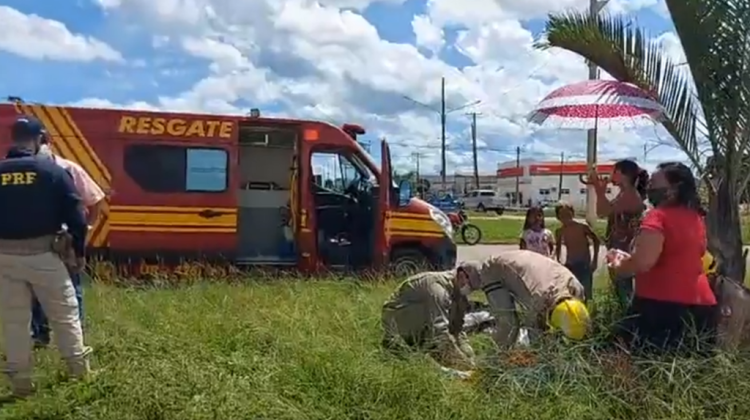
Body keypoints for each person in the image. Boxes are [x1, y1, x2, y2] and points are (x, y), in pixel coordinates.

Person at [0, 115, 91, 397]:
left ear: (13, 140)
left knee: (14, 322)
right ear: (40, 139)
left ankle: (21, 385)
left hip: (3, 257)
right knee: (64, 315)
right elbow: (77, 214)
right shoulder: (51, 172)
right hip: (43, 255)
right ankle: (80, 376)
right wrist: (77, 250)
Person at [607, 162, 716, 355]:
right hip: (701, 306)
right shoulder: (695, 218)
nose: (649, 187)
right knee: (694, 372)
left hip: (661, 305)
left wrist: (619, 264)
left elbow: (643, 262)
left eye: (654, 184)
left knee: (636, 361)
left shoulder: (657, 217)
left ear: (673, 190)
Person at [31, 140, 106, 348]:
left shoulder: (69, 168)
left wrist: (87, 227)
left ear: (49, 144)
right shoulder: (29, 171)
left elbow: (96, 198)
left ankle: (77, 333)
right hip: (39, 239)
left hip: (67, 241)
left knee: (72, 288)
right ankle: (40, 335)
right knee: (37, 289)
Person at [461, 250, 591, 348]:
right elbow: (535, 330)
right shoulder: (541, 299)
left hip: (536, 282)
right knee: (510, 323)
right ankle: (498, 359)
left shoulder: (576, 288)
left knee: (540, 335)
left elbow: (508, 322)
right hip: (496, 269)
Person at [381, 264, 482, 373]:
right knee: (439, 340)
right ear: (462, 275)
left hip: (424, 328)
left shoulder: (459, 296)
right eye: (470, 286)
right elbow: (440, 332)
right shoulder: (436, 288)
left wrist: (469, 357)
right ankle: (404, 348)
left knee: (455, 351)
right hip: (399, 321)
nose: (470, 291)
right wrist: (462, 364)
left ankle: (431, 352)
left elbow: (458, 330)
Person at [586, 159, 648, 307]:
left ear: (621, 174)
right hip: (620, 249)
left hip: (625, 251)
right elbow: (603, 211)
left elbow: (603, 211)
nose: (610, 175)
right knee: (620, 290)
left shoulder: (630, 195)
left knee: (624, 293)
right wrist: (600, 190)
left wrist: (599, 189)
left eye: (613, 171)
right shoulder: (625, 194)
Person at [554, 202, 600, 302]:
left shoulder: (582, 226)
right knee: (572, 292)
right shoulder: (560, 231)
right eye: (562, 215)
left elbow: (596, 240)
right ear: (558, 217)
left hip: (584, 264)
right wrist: (559, 260)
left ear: (573, 213)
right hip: (570, 264)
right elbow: (557, 246)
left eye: (568, 214)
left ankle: (586, 313)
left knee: (586, 293)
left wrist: (595, 260)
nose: (565, 217)